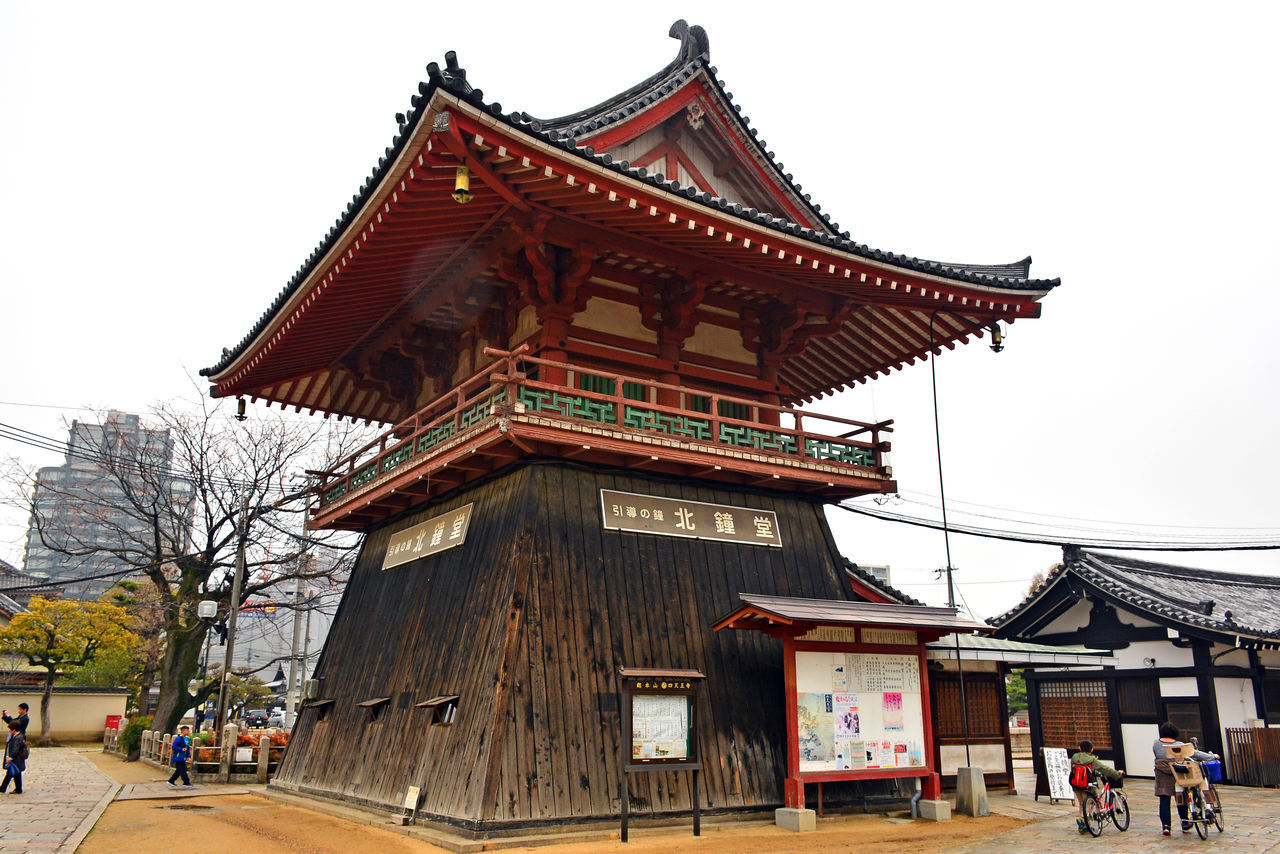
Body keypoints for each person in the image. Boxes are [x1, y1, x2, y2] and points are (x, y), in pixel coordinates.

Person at [1154, 721, 1216, 836]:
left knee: (1164, 799)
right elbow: (1195, 753)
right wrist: (1211, 756)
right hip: (1179, 774)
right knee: (1181, 797)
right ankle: (1185, 821)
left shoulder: (1156, 744)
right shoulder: (1180, 745)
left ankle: (1166, 827)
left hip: (1163, 775)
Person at [1070, 739, 1122, 831]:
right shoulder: (1092, 760)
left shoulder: (1074, 758)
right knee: (1089, 803)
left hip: (1076, 785)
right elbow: (1104, 769)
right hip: (1088, 786)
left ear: (1080, 748)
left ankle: (1083, 822)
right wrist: (1117, 774)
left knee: (1082, 803)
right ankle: (1083, 821)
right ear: (1091, 750)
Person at [0, 722, 26, 794]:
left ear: (14, 730)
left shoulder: (18, 738)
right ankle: (18, 788)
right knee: (15, 773)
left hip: (16, 759)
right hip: (16, 759)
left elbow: (15, 748)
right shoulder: (16, 736)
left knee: (11, 773)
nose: (9, 731)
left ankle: (3, 788)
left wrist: (11, 757)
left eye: (10, 730)